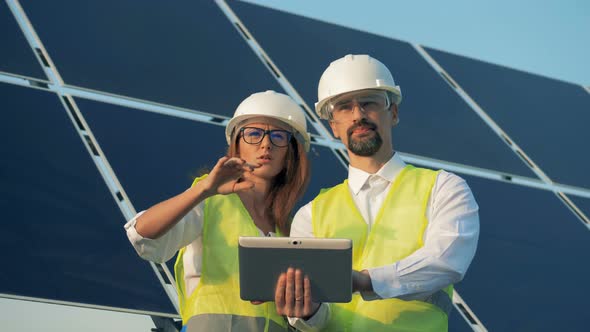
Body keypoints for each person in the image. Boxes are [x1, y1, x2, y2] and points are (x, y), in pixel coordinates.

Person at [275, 54, 480, 331]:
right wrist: (307, 311)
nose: (358, 115)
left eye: (369, 102)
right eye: (345, 107)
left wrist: (366, 280)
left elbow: (446, 260)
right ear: (333, 126)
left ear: (393, 112)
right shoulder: (311, 215)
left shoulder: (444, 188)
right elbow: (317, 321)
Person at [124, 90, 311, 331]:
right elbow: (142, 236)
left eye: (278, 136)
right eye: (253, 133)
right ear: (237, 144)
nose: (266, 144)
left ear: (291, 152)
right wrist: (202, 190)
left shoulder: (293, 226)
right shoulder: (210, 200)